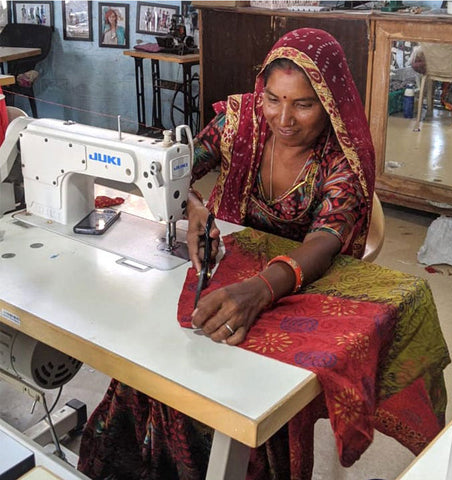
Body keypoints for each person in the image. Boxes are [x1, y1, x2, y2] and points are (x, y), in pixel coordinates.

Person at [78, 28, 375, 479]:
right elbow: (177, 166)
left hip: (290, 287)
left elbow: (325, 242)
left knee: (228, 400)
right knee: (150, 365)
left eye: (303, 104)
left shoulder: (339, 160)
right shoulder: (240, 123)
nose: (284, 118)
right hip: (219, 268)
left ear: (331, 103)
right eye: (273, 98)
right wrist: (193, 204)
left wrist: (259, 291)